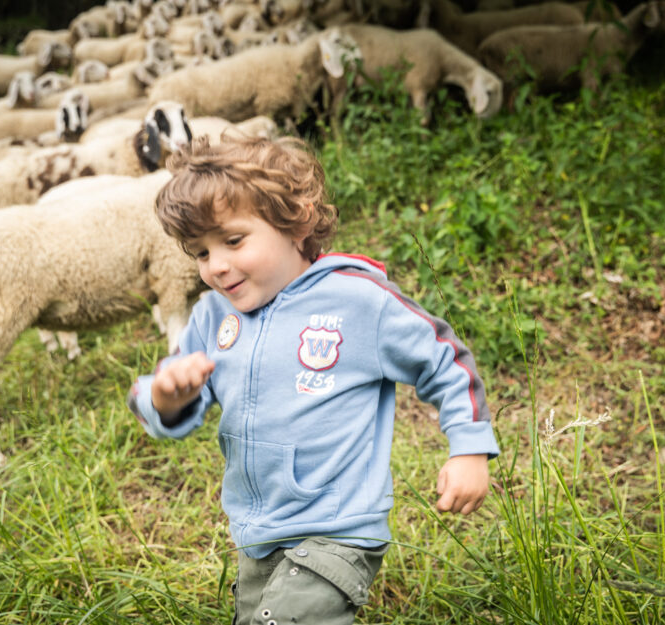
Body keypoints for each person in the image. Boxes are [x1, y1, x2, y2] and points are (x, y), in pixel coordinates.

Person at [127, 135, 500, 624]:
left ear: (295, 220)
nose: (216, 266)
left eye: (233, 241)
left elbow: (443, 359)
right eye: (200, 252)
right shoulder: (213, 317)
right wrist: (165, 395)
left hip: (337, 529)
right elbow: (157, 394)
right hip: (258, 529)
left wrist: (468, 447)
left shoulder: (356, 300)